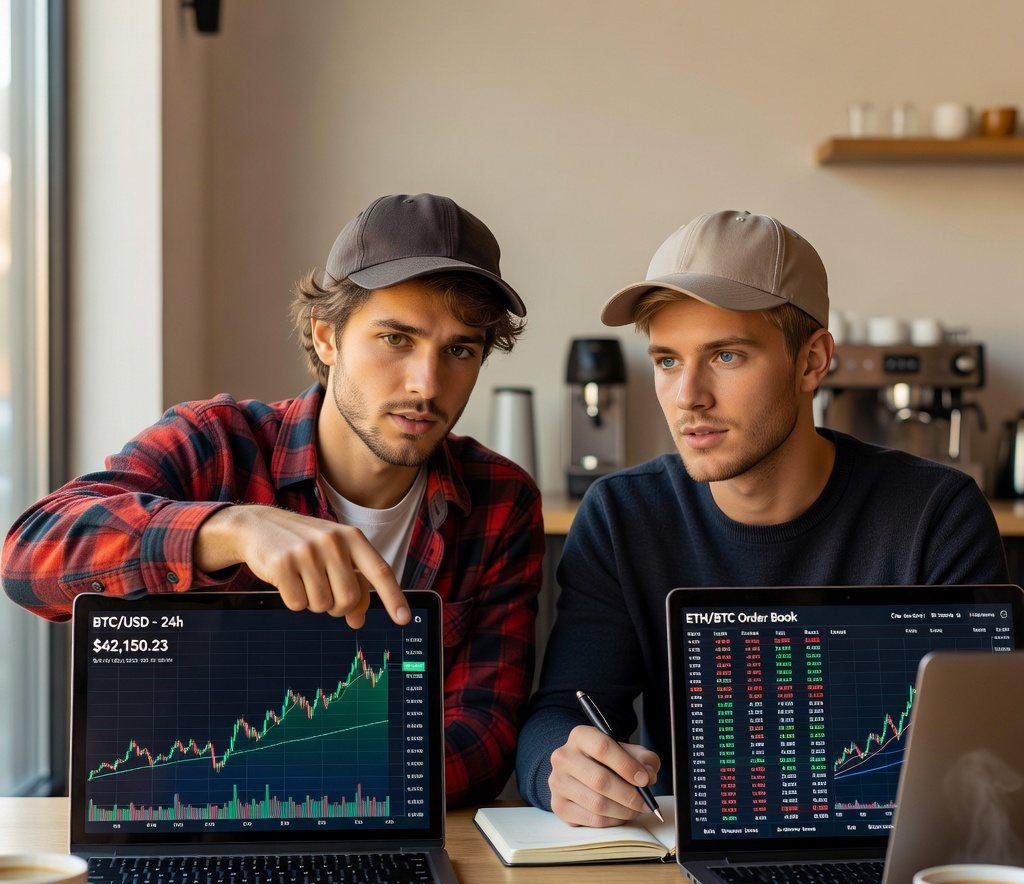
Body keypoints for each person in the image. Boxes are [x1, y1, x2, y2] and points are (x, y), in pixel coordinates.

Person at [2, 192, 545, 807]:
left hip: (374, 825)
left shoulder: (500, 498)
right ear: (327, 337)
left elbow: (484, 734)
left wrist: (293, 786)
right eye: (396, 339)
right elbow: (30, 558)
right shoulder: (216, 443)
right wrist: (230, 531)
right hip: (180, 821)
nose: (426, 383)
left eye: (459, 350)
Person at [515, 209, 1008, 827]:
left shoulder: (936, 514)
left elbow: (984, 756)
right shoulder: (624, 515)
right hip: (697, 859)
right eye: (667, 360)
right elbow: (563, 710)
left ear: (812, 362)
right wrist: (559, 768)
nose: (688, 395)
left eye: (725, 355)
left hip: (888, 859)